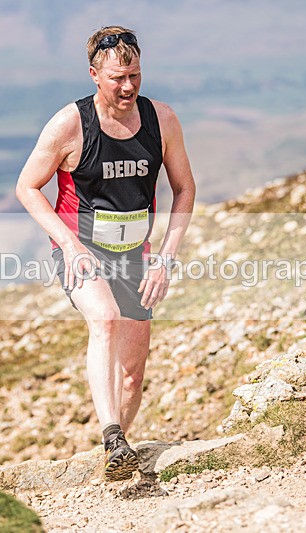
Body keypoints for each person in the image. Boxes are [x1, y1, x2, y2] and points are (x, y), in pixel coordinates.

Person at [15, 25, 196, 482]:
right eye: (117, 77)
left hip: (136, 252)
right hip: (83, 250)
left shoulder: (162, 120)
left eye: (135, 74)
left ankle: (118, 457)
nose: (129, 86)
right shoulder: (70, 124)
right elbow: (27, 186)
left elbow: (184, 188)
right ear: (94, 74)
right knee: (105, 318)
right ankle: (112, 434)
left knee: (133, 372)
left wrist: (166, 256)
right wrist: (70, 244)